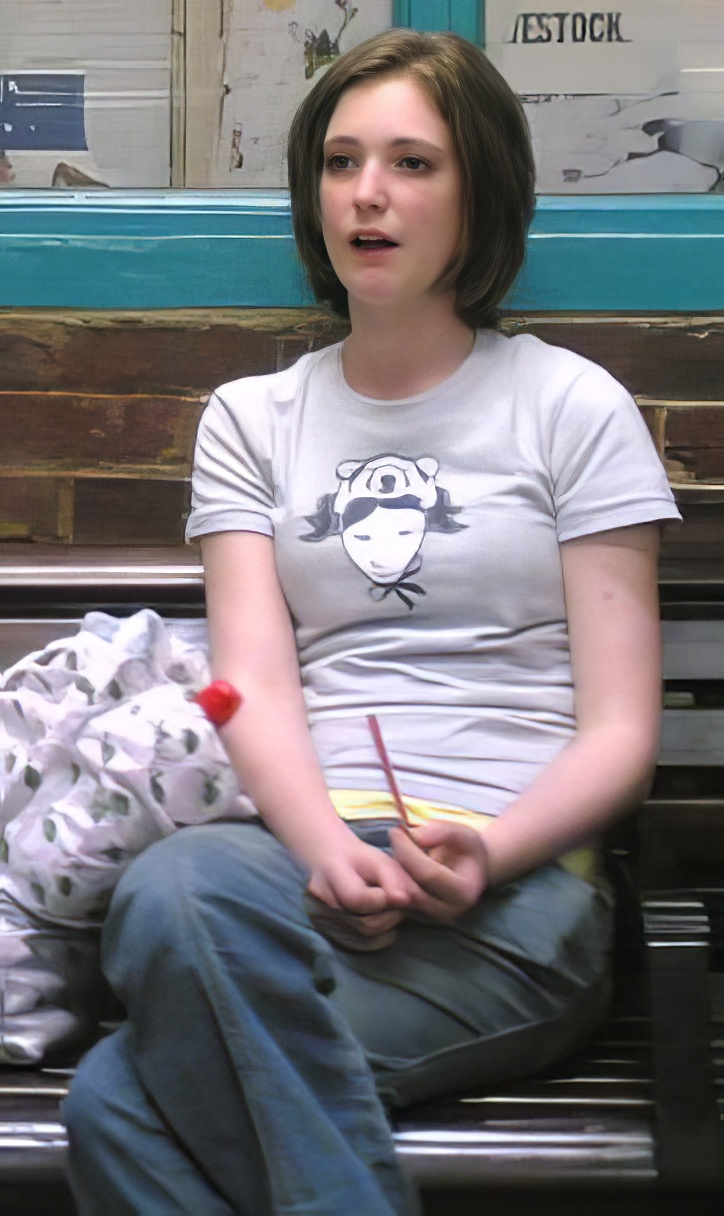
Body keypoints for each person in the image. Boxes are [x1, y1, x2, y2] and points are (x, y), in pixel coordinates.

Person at [64, 28, 681, 1216]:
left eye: (412, 162)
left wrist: (486, 854)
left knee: (118, 1103)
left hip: (513, 894)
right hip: (290, 882)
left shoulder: (569, 405)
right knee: (171, 889)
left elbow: (618, 731)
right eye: (342, 161)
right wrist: (321, 852)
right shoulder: (254, 419)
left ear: (478, 190)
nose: (368, 194)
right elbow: (249, 687)